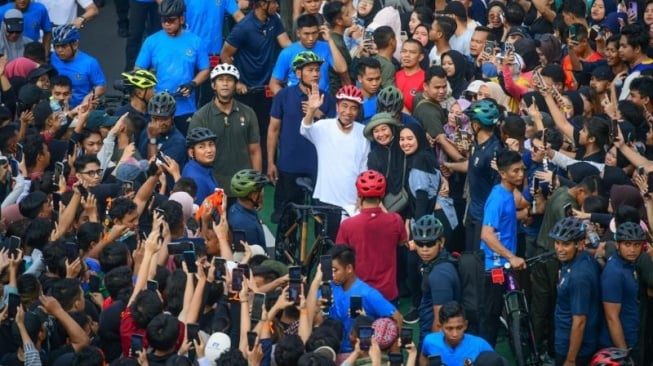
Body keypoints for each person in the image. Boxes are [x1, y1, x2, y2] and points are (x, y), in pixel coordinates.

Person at [221, 0, 291, 175]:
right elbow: (225, 55)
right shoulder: (243, 28)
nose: (277, 6)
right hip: (247, 91)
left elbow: (287, 46)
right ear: (262, 4)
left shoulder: (274, 20)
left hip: (267, 89)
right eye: (274, 2)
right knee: (246, 133)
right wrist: (237, 82)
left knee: (268, 129)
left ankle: (269, 170)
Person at [267, 51, 336, 222]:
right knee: (286, 218)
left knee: (322, 219)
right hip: (289, 165)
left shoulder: (327, 98)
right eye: (310, 70)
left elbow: (335, 131)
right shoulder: (284, 95)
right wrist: (270, 162)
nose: (315, 74)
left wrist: (319, 114)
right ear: (298, 74)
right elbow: (273, 129)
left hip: (318, 167)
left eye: (317, 70)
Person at [300, 84, 370, 237]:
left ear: (358, 111)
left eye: (353, 108)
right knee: (325, 249)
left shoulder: (363, 133)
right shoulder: (323, 126)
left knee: (349, 250)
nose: (348, 112)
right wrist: (311, 110)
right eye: (344, 106)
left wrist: (362, 196)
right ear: (337, 107)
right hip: (326, 199)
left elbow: (364, 169)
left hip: (352, 204)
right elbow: (305, 129)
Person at [134, 0, 210, 136]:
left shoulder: (196, 41)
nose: (167, 24)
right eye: (163, 20)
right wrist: (149, 89)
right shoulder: (151, 41)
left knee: (187, 145)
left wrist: (193, 83)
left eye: (171, 20)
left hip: (185, 106)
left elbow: (205, 70)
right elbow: (138, 69)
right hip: (158, 107)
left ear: (182, 19)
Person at [188, 63, 261, 198]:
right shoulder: (201, 117)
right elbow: (193, 157)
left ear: (236, 84)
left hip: (244, 186)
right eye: (221, 80)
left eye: (229, 80)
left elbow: (255, 151)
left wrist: (257, 185)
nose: (225, 84)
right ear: (213, 85)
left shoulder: (248, 113)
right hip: (213, 187)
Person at [313, 244, 403, 353]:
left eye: (335, 270)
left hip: (359, 354)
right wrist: (317, 308)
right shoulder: (327, 289)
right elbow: (314, 320)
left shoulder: (368, 294)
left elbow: (397, 318)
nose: (331, 275)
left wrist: (393, 352)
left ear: (349, 268)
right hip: (333, 351)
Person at [478, 149, 527, 347]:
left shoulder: (508, 194)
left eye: (522, 170)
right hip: (495, 266)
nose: (521, 175)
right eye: (515, 171)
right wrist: (511, 257)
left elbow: (506, 220)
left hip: (505, 262)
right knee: (490, 315)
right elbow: (486, 234)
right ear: (503, 173)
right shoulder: (497, 198)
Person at [336, 169, 406, 302]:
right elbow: (403, 242)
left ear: (359, 195)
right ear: (383, 194)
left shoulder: (348, 225)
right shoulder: (396, 220)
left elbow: (337, 256)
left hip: (358, 293)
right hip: (387, 294)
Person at [550, 216, 601, 365]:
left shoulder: (579, 277)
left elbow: (579, 321)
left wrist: (570, 360)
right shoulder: (583, 259)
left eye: (566, 244)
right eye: (557, 242)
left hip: (573, 349)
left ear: (580, 244)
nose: (559, 249)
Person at [411, 215, 460, 347]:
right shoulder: (433, 263)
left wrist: (431, 348)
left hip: (432, 334)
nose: (424, 249)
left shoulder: (439, 275)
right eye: (420, 244)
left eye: (430, 244)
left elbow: (440, 321)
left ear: (441, 242)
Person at [269, 13, 348, 96]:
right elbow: (273, 84)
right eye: (306, 34)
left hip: (322, 100)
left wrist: (330, 40)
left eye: (314, 33)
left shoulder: (326, 47)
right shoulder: (287, 53)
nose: (311, 38)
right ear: (298, 33)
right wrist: (286, 101)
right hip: (297, 102)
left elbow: (342, 69)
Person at [600, 221, 644, 350]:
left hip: (632, 336)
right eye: (627, 244)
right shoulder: (614, 272)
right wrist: (623, 352)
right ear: (617, 245)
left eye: (637, 245)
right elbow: (611, 317)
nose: (632, 249)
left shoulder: (631, 264)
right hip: (618, 344)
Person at [50, 25, 106, 108]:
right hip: (56, 108)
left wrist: (87, 99)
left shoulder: (90, 63)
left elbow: (101, 87)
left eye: (64, 46)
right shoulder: (53, 57)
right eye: (57, 46)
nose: (59, 50)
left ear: (75, 45)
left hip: (80, 108)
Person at [421, 301, 493, 365]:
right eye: (449, 328)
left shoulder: (481, 345)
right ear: (440, 327)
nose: (455, 334)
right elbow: (424, 356)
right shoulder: (430, 341)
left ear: (465, 325)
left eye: (459, 328)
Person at [137, 91, 186, 168]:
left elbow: (155, 171)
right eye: (155, 118)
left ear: (172, 116)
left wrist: (152, 139)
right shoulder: (147, 130)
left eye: (164, 119)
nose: (159, 123)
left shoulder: (178, 142)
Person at [113, 69, 158, 142]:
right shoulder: (122, 116)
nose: (154, 91)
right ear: (139, 93)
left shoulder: (154, 113)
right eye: (151, 88)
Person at [228, 169, 269, 248]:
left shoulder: (234, 208)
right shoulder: (247, 226)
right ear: (253, 196)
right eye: (261, 190)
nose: (263, 193)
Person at [182, 127, 218, 205]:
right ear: (191, 153)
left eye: (211, 144)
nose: (209, 150)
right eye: (201, 147)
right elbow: (200, 214)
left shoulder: (202, 167)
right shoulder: (196, 179)